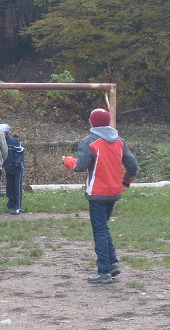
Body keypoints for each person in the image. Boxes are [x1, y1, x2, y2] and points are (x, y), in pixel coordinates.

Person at [62, 108, 138, 284]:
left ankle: (103, 271)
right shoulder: (120, 141)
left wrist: (67, 160)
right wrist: (125, 182)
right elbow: (133, 166)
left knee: (99, 231)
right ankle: (113, 264)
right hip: (114, 191)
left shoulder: (88, 142)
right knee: (103, 227)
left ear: (92, 122)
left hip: (97, 193)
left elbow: (80, 166)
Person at [0, 123, 25, 215]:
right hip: (8, 167)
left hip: (17, 168)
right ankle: (11, 203)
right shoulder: (0, 142)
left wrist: (18, 162)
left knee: (17, 187)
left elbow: (21, 152)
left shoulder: (13, 141)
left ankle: (18, 206)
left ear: (5, 132)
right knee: (9, 186)